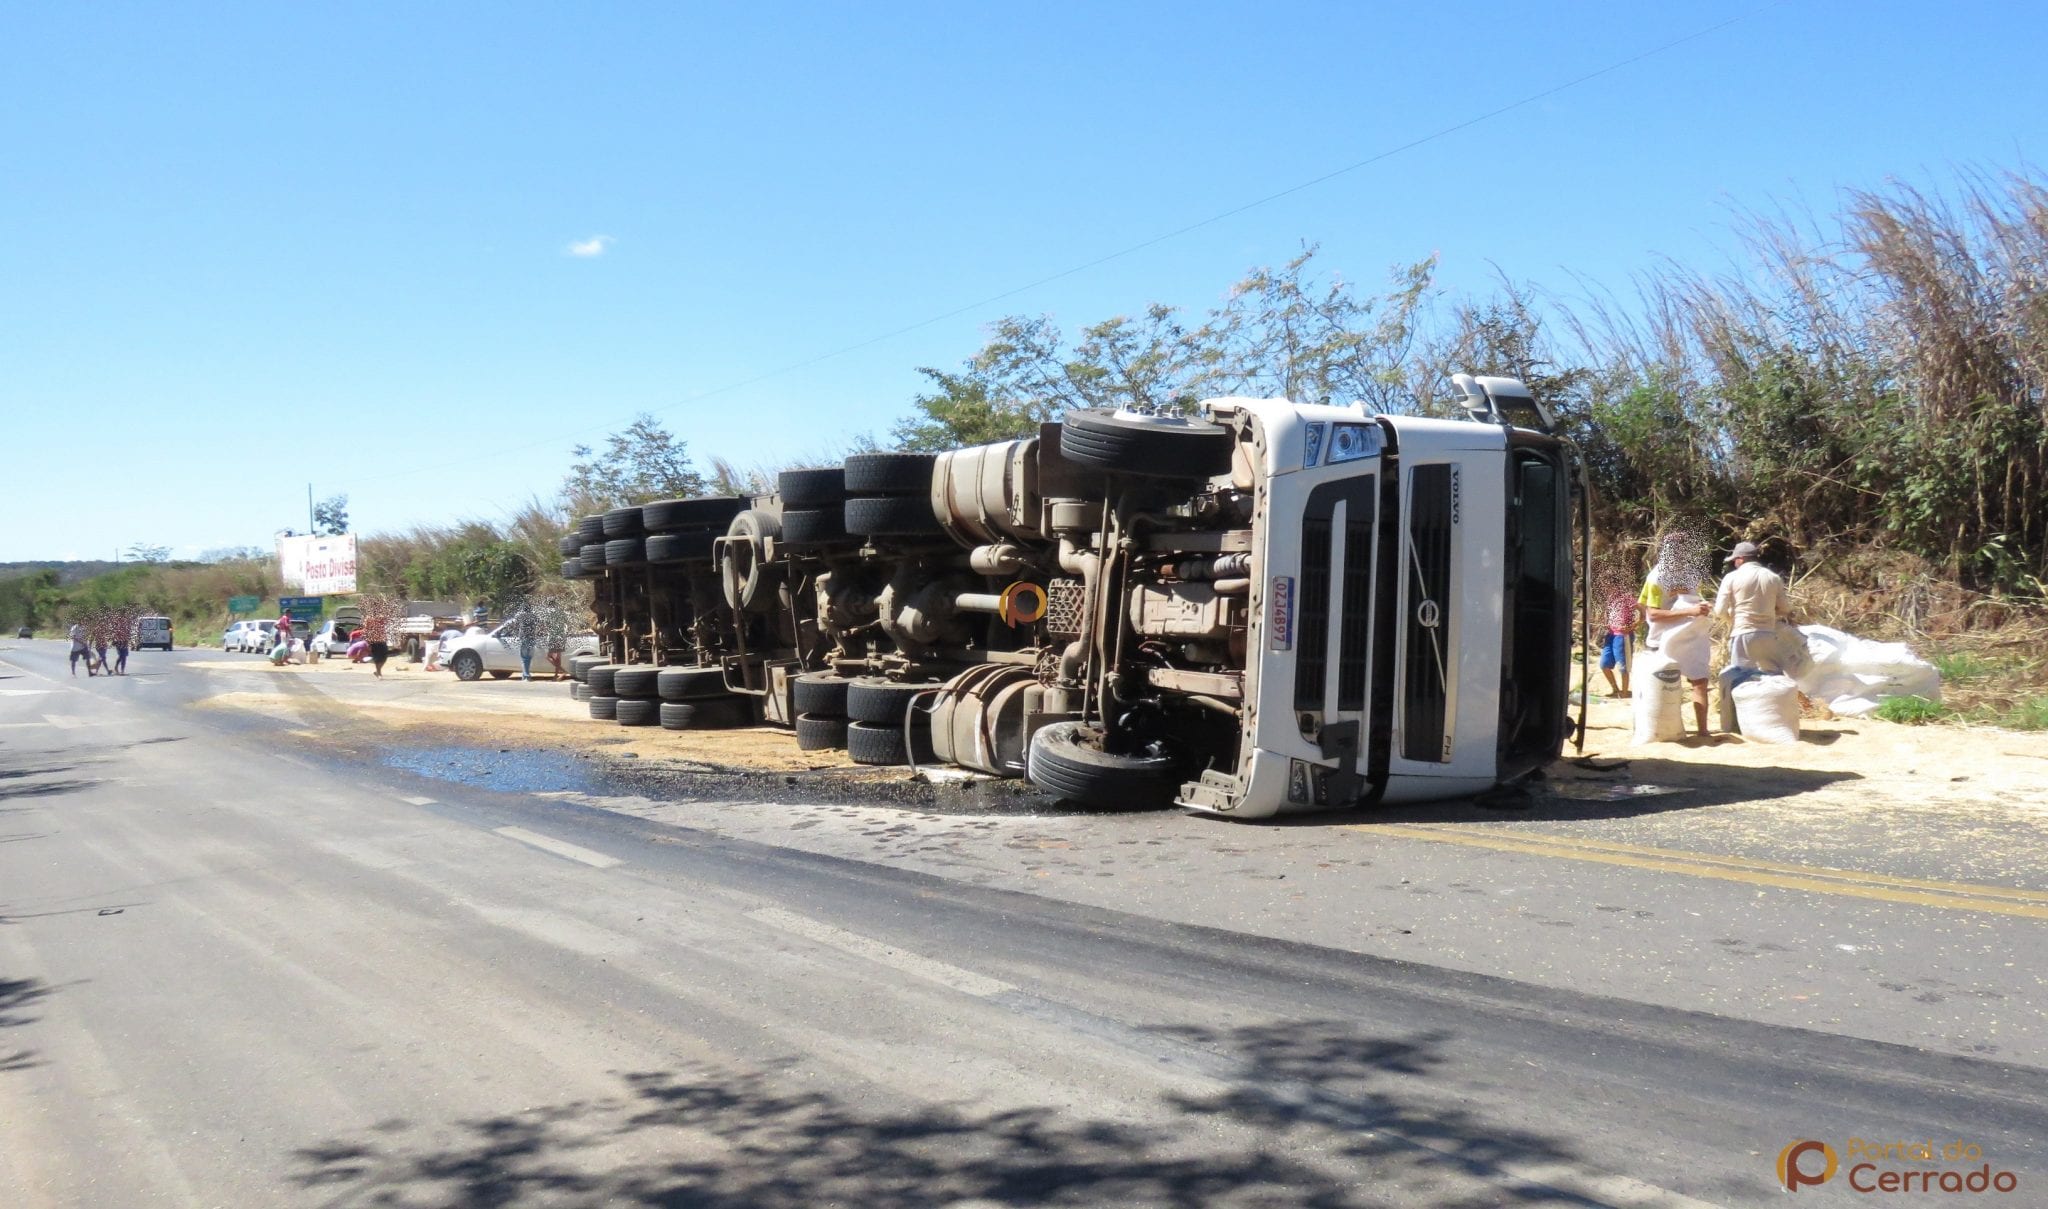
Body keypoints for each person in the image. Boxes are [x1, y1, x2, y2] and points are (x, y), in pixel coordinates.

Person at [1639, 535, 1713, 735]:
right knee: (1664, 685)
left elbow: (1694, 601)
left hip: (1689, 637)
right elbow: (1652, 613)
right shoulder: (1656, 578)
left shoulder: (1690, 574)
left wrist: (1701, 608)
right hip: (1661, 640)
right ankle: (1663, 729)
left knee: (1699, 681)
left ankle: (1703, 731)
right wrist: (1690, 612)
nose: (1680, 555)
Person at [1597, 591, 1636, 699]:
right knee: (1604, 664)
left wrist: (1633, 625)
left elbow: (1643, 612)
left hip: (1622, 636)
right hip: (1610, 635)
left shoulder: (1627, 597)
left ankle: (1624, 692)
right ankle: (1615, 689)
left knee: (1623, 666)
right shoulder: (1610, 597)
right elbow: (1607, 614)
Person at [513, 608, 539, 681]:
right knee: (528, 658)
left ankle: (526, 676)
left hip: (523, 638)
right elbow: (538, 624)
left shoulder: (520, 615)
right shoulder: (534, 615)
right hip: (532, 638)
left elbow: (515, 624)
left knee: (524, 658)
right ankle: (524, 675)